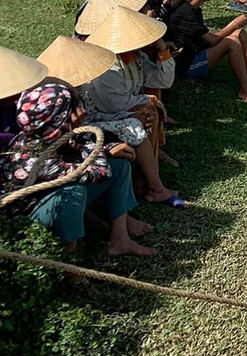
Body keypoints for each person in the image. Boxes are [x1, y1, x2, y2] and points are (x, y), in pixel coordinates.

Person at [2, 82, 154, 256]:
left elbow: (80, 149)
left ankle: (120, 239)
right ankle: (69, 264)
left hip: (50, 198)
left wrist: (105, 148)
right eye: (73, 108)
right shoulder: (34, 158)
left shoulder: (47, 134)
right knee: (74, 192)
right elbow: (97, 173)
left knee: (119, 165)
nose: (80, 112)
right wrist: (96, 145)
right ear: (60, 117)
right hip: (29, 218)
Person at [81, 7, 186, 208]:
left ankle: (149, 179)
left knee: (148, 110)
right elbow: (114, 105)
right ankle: (151, 183)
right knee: (144, 114)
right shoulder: (108, 68)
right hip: (98, 117)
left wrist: (162, 50)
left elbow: (164, 80)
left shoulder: (135, 57)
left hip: (114, 110)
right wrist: (148, 102)